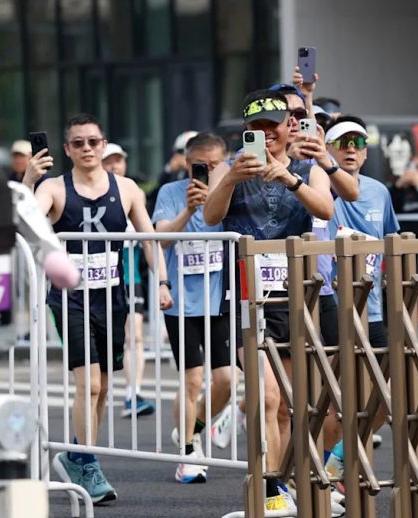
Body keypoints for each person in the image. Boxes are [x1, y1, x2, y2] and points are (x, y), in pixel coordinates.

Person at [203, 89, 359, 512]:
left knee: (292, 404)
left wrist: (288, 178)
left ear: (289, 127)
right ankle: (269, 488)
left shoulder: (309, 165)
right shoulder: (228, 167)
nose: (267, 135)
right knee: (267, 396)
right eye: (257, 128)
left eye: (274, 125)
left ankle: (286, 486)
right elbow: (212, 217)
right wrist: (234, 176)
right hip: (247, 295)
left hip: (295, 294)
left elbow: (326, 209)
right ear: (246, 131)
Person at [30, 113, 173, 504]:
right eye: (78, 143)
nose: (87, 149)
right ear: (67, 150)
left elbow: (147, 239)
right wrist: (29, 179)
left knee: (104, 385)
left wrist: (161, 280)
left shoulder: (126, 189)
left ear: (103, 143)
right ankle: (89, 462)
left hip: (112, 295)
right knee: (88, 383)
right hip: (69, 296)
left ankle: (77, 454)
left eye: (93, 141)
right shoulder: (54, 189)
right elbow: (25, 219)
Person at [325, 115, 418, 481]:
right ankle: (324, 478)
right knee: (332, 398)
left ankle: (340, 457)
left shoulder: (378, 190)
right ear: (328, 149)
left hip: (372, 307)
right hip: (328, 305)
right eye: (342, 143)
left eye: (357, 143)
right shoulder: (316, 183)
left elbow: (391, 246)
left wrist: (415, 291)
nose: (351, 150)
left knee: (392, 390)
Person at [153, 132, 234, 483]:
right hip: (182, 304)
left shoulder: (231, 191)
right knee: (193, 379)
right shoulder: (171, 193)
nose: (207, 172)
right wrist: (189, 208)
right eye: (199, 166)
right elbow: (162, 237)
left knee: (226, 381)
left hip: (219, 300)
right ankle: (186, 453)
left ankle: (193, 427)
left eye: (214, 166)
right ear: (186, 164)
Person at [101, 143, 153, 418]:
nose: (114, 166)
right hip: (100, 280)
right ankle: (105, 389)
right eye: (108, 161)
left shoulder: (132, 192)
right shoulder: (96, 195)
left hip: (130, 278)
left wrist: (162, 280)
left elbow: (149, 238)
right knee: (111, 339)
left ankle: (134, 392)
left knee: (136, 335)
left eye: (118, 161)